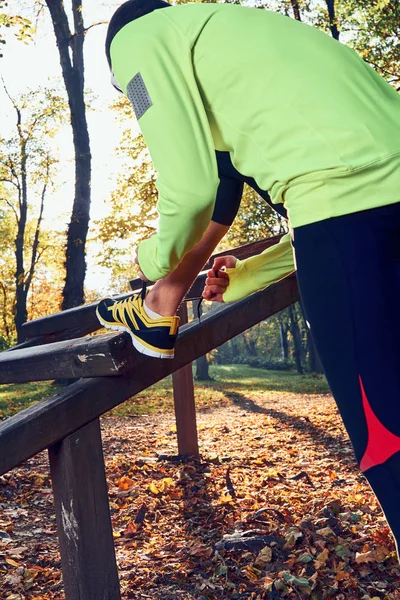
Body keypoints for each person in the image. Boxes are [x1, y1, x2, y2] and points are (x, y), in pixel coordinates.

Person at [97, 0, 400, 557]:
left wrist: (154, 266)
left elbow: (192, 187)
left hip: (344, 215)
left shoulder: (134, 46)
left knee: (388, 438)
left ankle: (151, 306)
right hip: (363, 211)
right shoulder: (237, 36)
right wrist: (251, 271)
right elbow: (234, 185)